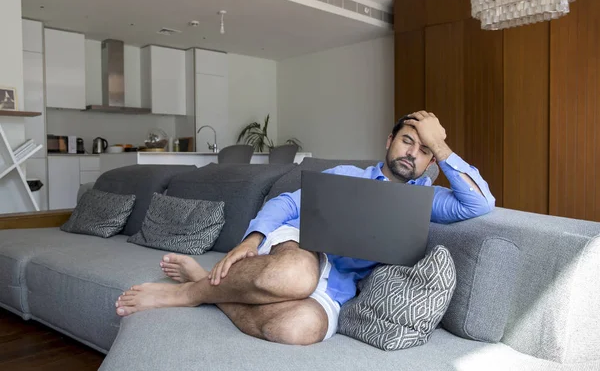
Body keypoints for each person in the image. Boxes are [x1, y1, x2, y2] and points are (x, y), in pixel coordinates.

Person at [115, 110, 495, 345]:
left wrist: (441, 146)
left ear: (430, 162)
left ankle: (205, 286)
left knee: (296, 330)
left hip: (336, 286)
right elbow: (287, 202)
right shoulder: (347, 175)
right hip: (300, 250)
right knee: (298, 275)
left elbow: (479, 203)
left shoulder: (425, 200)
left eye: (423, 150)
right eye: (407, 141)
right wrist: (251, 239)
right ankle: (187, 295)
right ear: (389, 141)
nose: (413, 153)